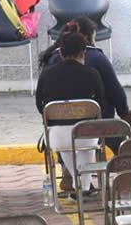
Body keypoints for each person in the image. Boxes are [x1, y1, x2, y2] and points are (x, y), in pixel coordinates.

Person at [36, 32, 106, 196]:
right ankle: (83, 186)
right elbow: (100, 105)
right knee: (86, 145)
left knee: (66, 143)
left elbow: (40, 105)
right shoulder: (92, 73)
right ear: (84, 53)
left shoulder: (46, 74)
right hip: (86, 134)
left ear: (60, 53)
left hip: (57, 136)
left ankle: (79, 183)